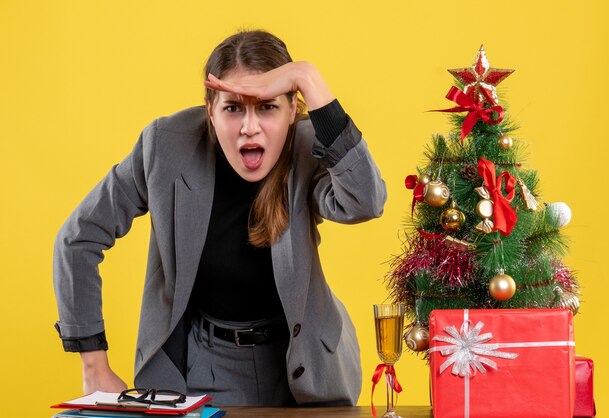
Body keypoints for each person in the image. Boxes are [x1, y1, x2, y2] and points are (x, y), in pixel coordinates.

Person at [53, 29, 386, 406]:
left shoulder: (308, 145)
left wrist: (307, 76)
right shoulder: (165, 145)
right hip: (204, 369)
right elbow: (77, 239)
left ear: (294, 109)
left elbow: (366, 201)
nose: (249, 127)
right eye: (233, 108)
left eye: (267, 106)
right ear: (210, 111)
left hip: (305, 366)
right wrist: (93, 363)